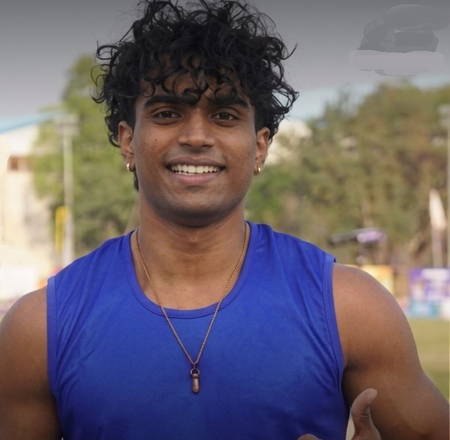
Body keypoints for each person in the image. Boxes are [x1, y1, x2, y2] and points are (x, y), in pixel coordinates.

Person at [0, 1, 448, 439]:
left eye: (224, 115)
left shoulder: (349, 306)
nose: (196, 136)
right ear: (128, 141)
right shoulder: (39, 327)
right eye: (167, 113)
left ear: (259, 146)